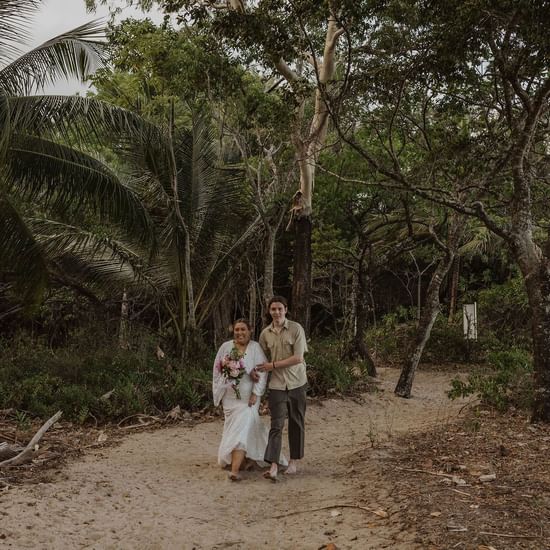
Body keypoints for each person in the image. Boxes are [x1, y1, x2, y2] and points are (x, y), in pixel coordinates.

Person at [256, 296, 308, 481]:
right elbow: (260, 359)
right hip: (277, 384)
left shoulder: (296, 329)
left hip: (297, 382)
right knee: (276, 424)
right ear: (269, 311)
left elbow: (298, 358)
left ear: (286, 309)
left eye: (280, 309)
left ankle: (294, 461)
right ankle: (274, 465)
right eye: (273, 309)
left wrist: (273, 365)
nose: (276, 312)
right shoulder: (265, 334)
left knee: (296, 421)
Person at [212, 318, 270, 481]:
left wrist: (256, 393)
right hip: (230, 398)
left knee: (243, 429)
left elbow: (262, 372)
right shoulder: (226, 347)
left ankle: (235, 471)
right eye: (237, 329)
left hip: (248, 398)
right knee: (236, 429)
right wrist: (220, 389)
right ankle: (246, 460)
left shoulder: (255, 348)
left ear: (250, 330)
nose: (240, 333)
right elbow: (217, 369)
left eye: (243, 329)